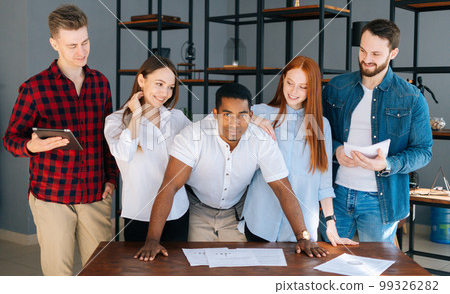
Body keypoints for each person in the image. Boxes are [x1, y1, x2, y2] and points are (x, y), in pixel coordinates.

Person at [134, 83, 329, 261]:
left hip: (235, 213)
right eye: (227, 115)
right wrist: (152, 240)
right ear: (216, 113)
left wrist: (303, 237)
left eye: (242, 115)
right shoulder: (193, 136)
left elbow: (282, 188)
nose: (235, 123)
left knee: (239, 270)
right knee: (196, 270)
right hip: (198, 210)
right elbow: (170, 186)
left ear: (250, 115)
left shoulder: (261, 140)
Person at [3, 4, 119, 275]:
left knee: (102, 273)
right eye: (72, 46)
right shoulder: (34, 88)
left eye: (85, 42)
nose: (81, 52)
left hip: (95, 195)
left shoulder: (101, 83)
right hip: (51, 197)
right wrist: (31, 146)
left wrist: (111, 178)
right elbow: (11, 138)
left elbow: (108, 139)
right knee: (59, 275)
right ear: (54, 43)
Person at [322, 19, 433, 243]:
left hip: (381, 201)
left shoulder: (412, 98)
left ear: (393, 53)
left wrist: (387, 164)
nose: (367, 59)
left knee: (375, 270)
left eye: (376, 53)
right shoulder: (336, 88)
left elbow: (423, 151)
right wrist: (336, 150)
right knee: (328, 266)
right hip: (336, 194)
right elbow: (316, 131)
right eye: (363, 50)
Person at [242, 56, 357, 246]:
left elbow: (324, 182)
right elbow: (224, 117)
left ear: (312, 89)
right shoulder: (261, 112)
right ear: (283, 80)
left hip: (301, 228)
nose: (294, 92)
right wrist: (255, 120)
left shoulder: (321, 126)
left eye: (303, 87)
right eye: (290, 83)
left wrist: (330, 223)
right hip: (260, 220)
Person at [104, 55, 191, 242]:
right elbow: (123, 154)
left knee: (175, 270)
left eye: (170, 87)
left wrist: (251, 118)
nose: (165, 93)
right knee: (139, 270)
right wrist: (136, 116)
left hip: (177, 211)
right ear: (141, 80)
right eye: (159, 84)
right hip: (139, 215)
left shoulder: (176, 118)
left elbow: (209, 134)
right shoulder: (116, 121)